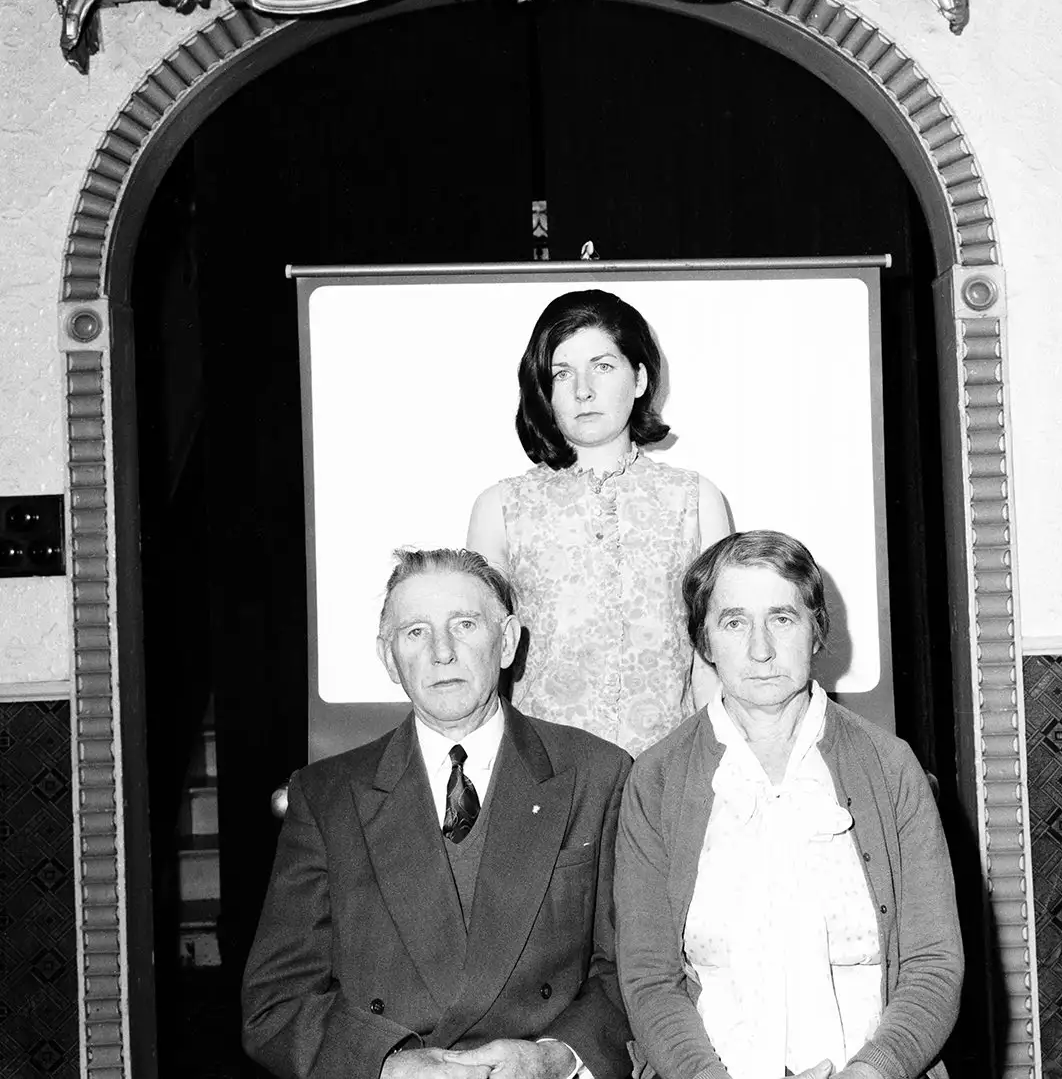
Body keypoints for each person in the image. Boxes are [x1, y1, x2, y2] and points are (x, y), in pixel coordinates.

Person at [242, 548, 633, 1079]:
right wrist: (388, 1065)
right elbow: (276, 1003)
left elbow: (626, 972)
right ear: (388, 657)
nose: (442, 653)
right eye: (416, 633)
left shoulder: (596, 774)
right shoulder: (329, 796)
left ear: (508, 641)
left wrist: (555, 1056)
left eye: (465, 625)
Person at [614, 531, 963, 1079]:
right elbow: (648, 977)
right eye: (733, 622)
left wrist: (873, 1071)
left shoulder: (891, 766)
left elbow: (932, 965)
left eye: (782, 618)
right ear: (703, 640)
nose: (760, 649)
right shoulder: (656, 780)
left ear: (816, 628)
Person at [467, 290, 731, 756]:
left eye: (603, 366)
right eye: (561, 373)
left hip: (664, 773)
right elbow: (485, 663)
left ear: (640, 378)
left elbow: (713, 659)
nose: (582, 389)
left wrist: (707, 769)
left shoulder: (695, 500)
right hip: (545, 782)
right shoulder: (500, 508)